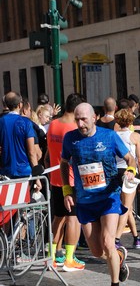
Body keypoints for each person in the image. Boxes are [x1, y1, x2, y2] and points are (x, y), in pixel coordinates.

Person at [60, 102, 136, 286]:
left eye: (83, 119)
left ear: (94, 118)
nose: (80, 123)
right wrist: (67, 190)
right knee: (96, 251)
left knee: (107, 241)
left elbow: (131, 159)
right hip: (85, 200)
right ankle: (118, 257)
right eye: (77, 119)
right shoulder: (71, 139)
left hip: (109, 197)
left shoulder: (109, 136)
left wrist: (131, 172)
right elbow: (63, 163)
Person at [45, 92, 86, 271]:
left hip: (55, 178)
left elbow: (47, 155)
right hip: (71, 178)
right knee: (73, 218)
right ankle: (70, 258)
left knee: (58, 217)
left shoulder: (53, 124)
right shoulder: (72, 128)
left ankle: (51, 256)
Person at [114, 108, 140, 250]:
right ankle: (117, 238)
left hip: (116, 171)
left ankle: (136, 237)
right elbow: (139, 160)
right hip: (131, 172)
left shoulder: (113, 135)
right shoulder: (135, 136)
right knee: (126, 207)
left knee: (128, 206)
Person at [0, 91, 43, 181]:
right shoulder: (26, 123)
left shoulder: (1, 121)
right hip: (24, 172)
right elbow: (32, 152)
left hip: (5, 172)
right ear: (20, 105)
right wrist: (37, 178)